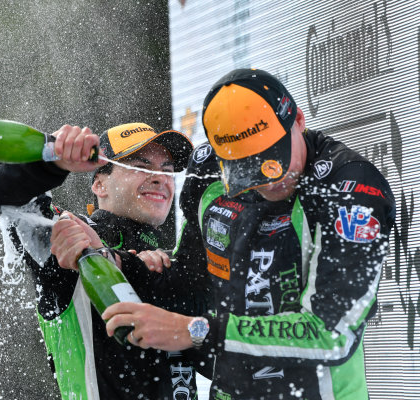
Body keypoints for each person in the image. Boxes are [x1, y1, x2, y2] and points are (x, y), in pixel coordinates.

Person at [102, 68, 396, 399]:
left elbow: (330, 334)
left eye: (274, 162)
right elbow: (192, 285)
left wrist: (196, 331)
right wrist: (126, 266)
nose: (268, 181)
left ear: (297, 120)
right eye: (247, 171)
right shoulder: (207, 174)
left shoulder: (350, 189)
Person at [0, 121, 201, 399]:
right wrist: (52, 159)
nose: (159, 178)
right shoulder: (72, 236)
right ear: (99, 184)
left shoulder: (172, 262)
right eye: (141, 166)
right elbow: (5, 195)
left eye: (167, 171)